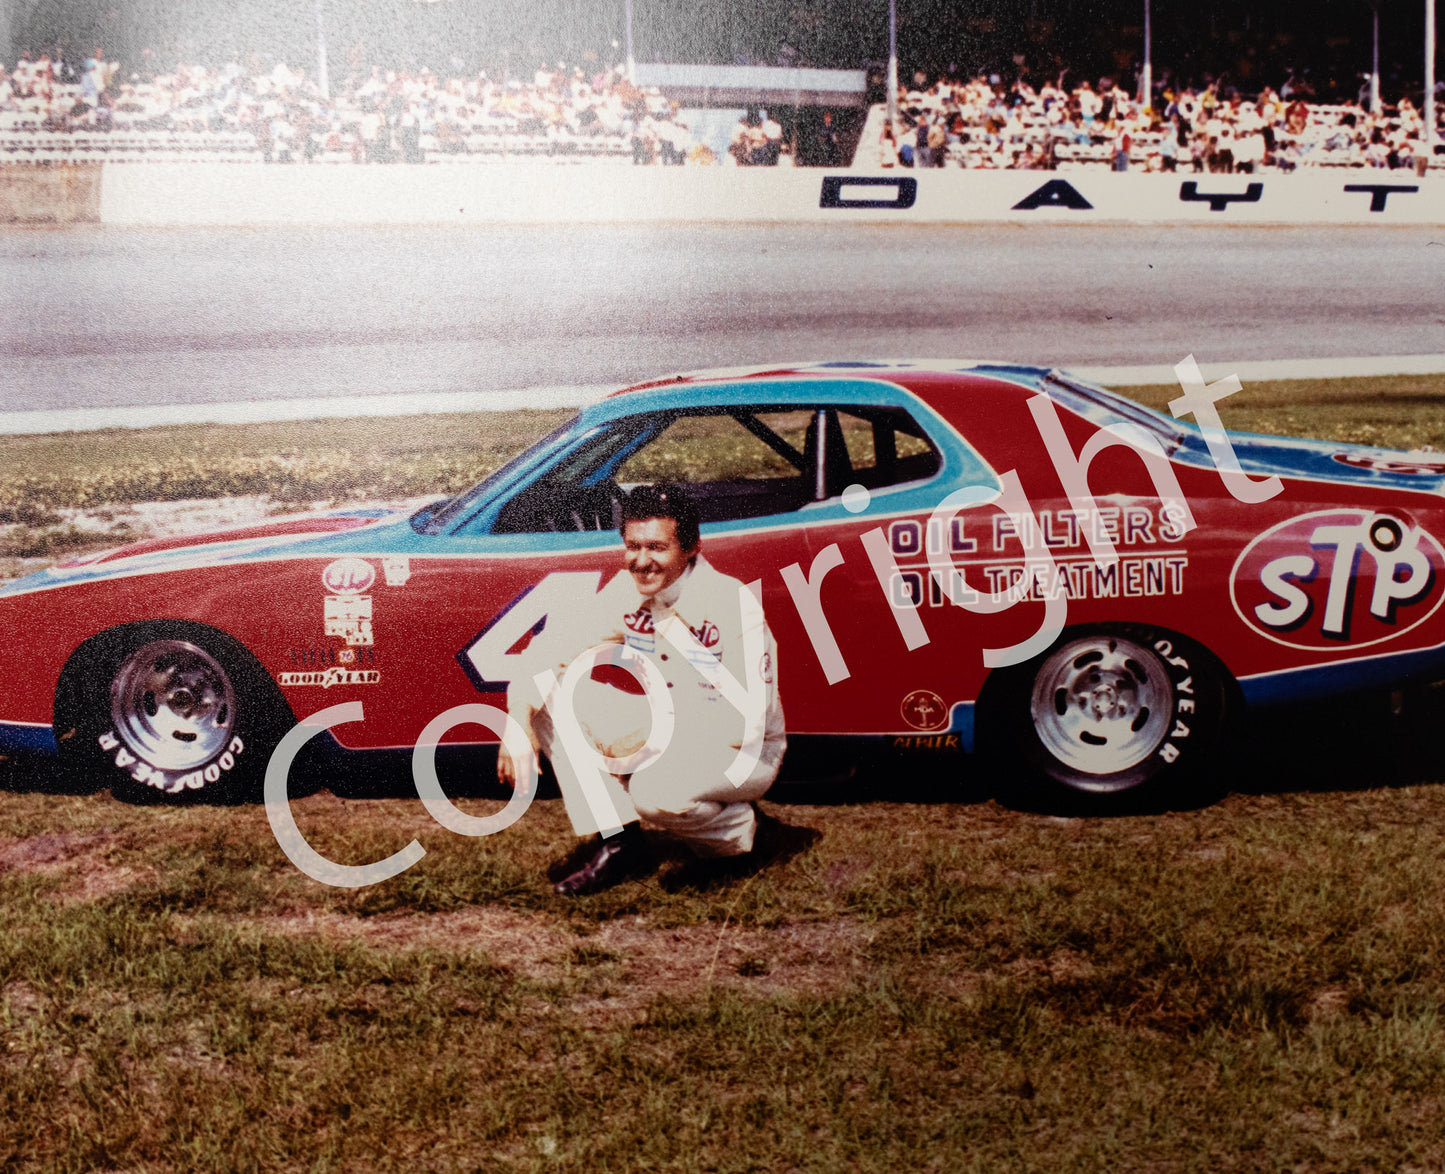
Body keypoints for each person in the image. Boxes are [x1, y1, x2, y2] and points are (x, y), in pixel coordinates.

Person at [498, 484, 788, 896]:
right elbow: (546, 652)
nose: (641, 561)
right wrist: (516, 723)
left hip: (742, 748)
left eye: (656, 547)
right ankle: (619, 842)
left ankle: (744, 834)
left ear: (691, 548)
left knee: (655, 792)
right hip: (671, 727)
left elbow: (747, 718)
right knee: (548, 694)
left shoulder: (729, 602)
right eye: (633, 546)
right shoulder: (627, 589)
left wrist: (651, 740)